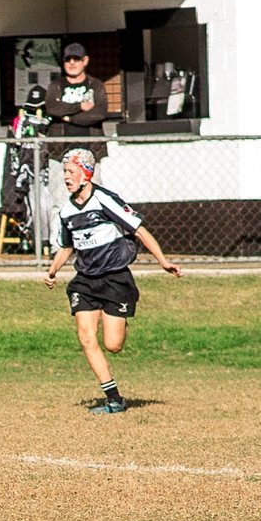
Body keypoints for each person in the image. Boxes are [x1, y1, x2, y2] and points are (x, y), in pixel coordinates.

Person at [43, 148, 181, 413]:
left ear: (86, 174)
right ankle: (114, 399)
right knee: (85, 337)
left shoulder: (105, 200)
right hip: (85, 280)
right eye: (64, 173)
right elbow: (67, 247)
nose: (66, 178)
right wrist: (52, 272)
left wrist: (163, 261)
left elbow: (139, 231)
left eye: (71, 172)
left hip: (115, 279)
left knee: (113, 345)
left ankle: (118, 319)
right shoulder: (67, 211)